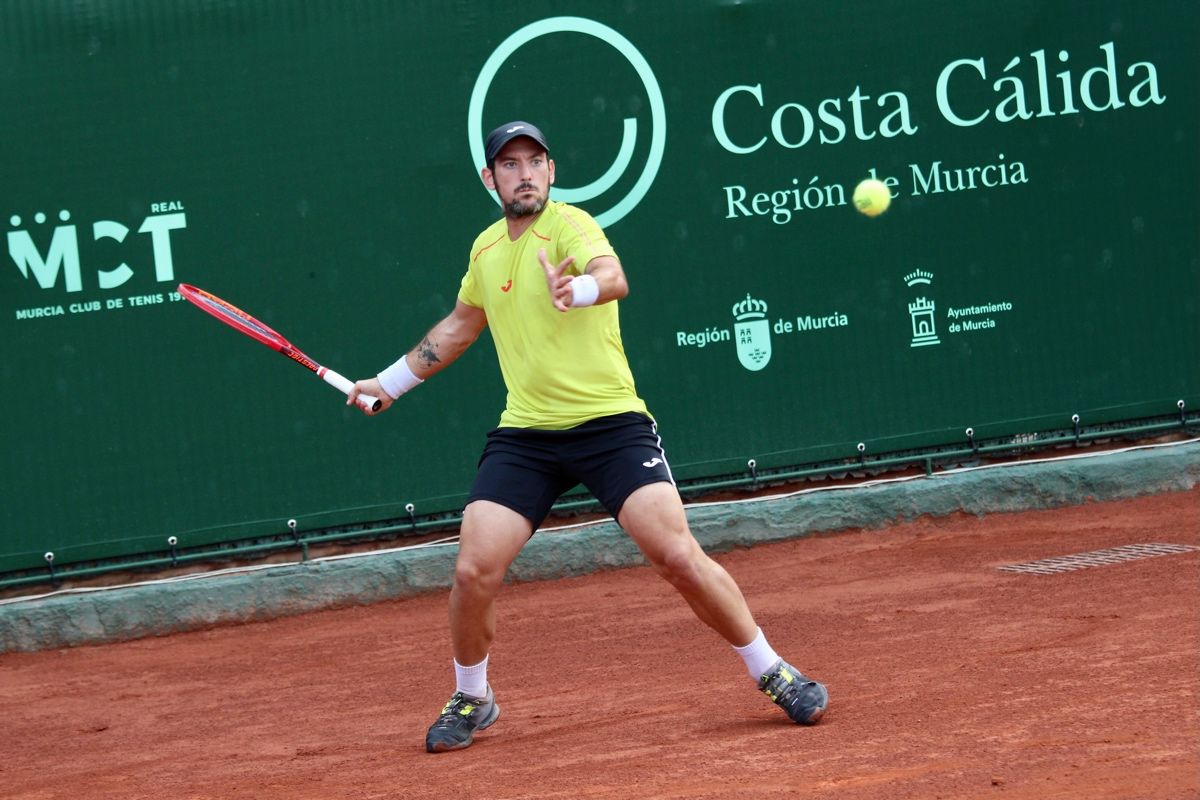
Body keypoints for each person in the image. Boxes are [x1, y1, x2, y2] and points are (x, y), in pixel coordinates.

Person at [348, 121, 828, 753]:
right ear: (489, 179)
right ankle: (474, 695)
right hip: (527, 436)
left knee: (678, 557)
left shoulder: (571, 226)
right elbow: (462, 326)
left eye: (535, 161)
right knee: (471, 571)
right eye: (510, 165)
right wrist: (387, 383)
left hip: (611, 427)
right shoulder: (486, 250)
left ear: (551, 171)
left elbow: (615, 275)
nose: (524, 173)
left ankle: (773, 671)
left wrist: (581, 287)